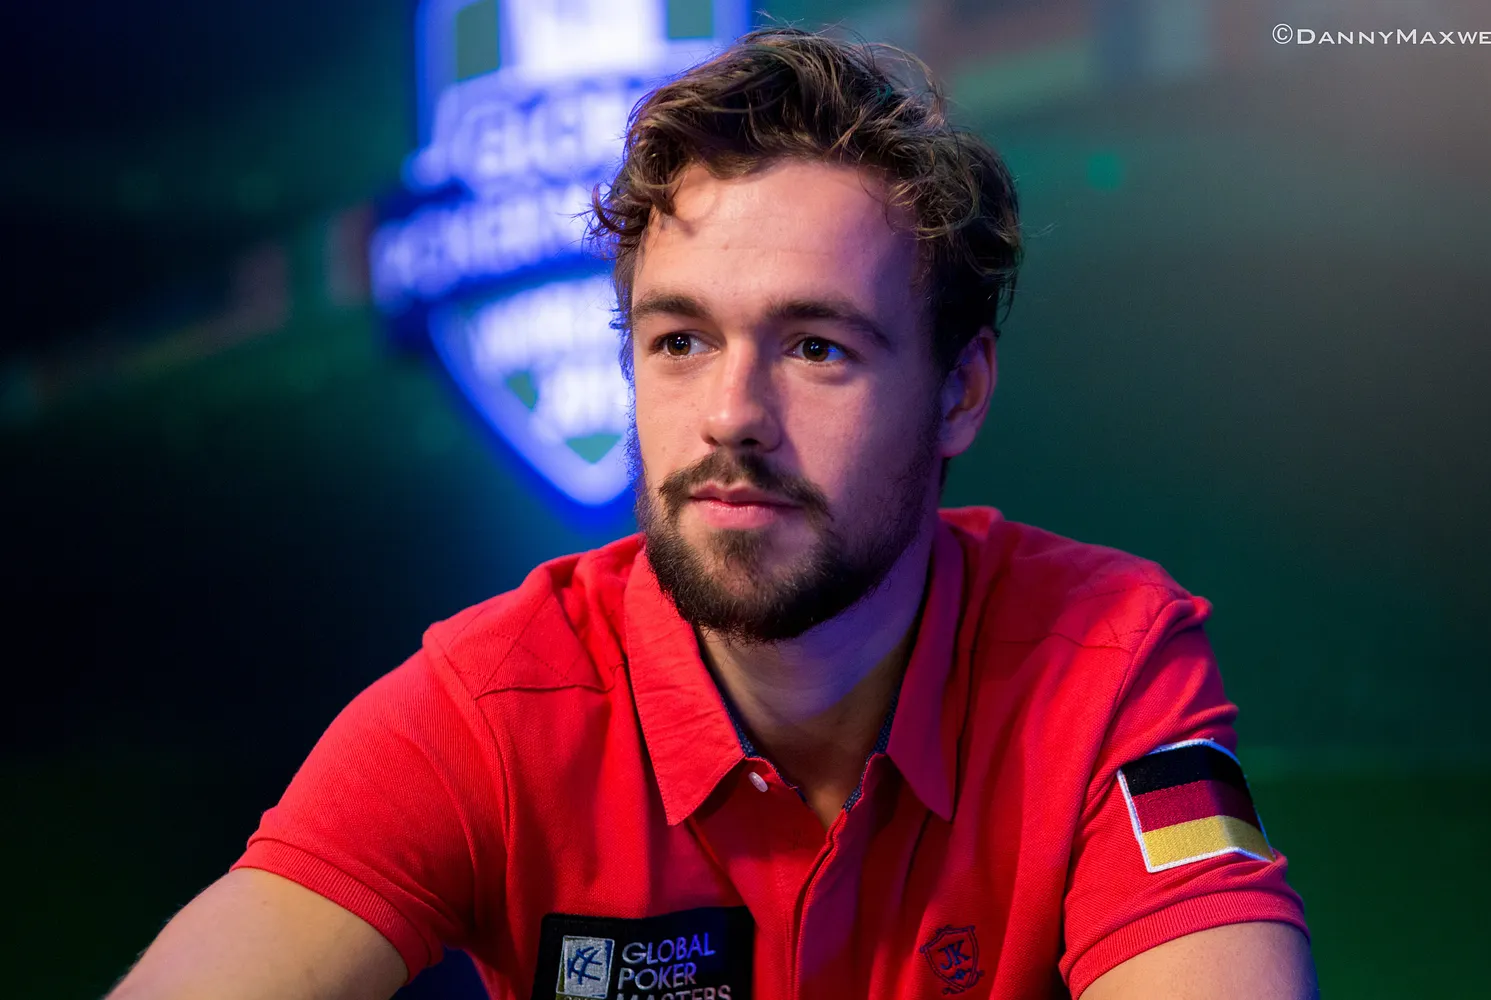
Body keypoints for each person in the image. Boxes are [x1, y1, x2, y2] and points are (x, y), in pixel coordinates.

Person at [108, 26, 1315, 1000]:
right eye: (679, 340)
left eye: (816, 346)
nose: (732, 415)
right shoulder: (492, 704)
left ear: (959, 391)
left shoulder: (1106, 660)